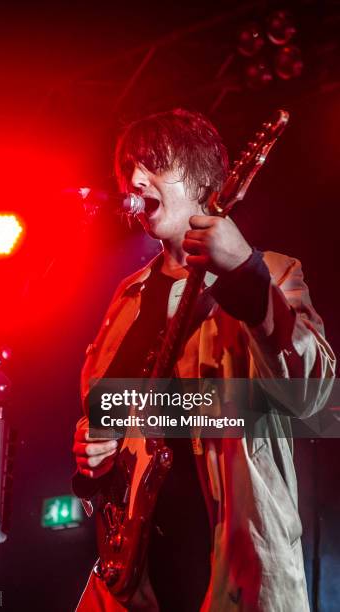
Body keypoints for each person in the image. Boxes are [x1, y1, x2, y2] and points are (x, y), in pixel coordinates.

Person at [72, 109, 335, 611]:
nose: (133, 180)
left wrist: (245, 275)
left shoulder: (273, 274)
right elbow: (101, 415)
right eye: (128, 168)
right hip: (131, 580)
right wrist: (90, 454)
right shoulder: (126, 298)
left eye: (151, 164)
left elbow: (318, 398)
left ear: (201, 178)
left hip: (232, 571)